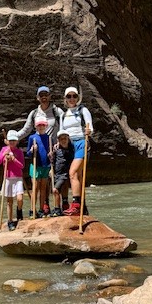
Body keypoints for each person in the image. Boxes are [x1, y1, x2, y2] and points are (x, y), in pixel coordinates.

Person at [60, 87, 93, 216]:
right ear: (65, 99)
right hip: (69, 145)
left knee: (73, 173)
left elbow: (90, 125)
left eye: (74, 96)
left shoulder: (83, 110)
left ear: (78, 98)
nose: (72, 99)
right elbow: (62, 132)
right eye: (69, 96)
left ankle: (75, 204)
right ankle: (82, 207)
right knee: (77, 177)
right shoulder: (64, 114)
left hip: (81, 143)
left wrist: (89, 132)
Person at [0, 130, 25, 231]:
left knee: (20, 198)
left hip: (17, 177)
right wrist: (4, 155)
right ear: (8, 141)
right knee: (9, 201)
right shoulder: (4, 149)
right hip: (7, 178)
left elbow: (22, 165)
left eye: (14, 141)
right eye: (10, 140)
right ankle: (10, 221)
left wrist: (13, 159)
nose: (12, 142)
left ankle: (19, 211)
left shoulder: (19, 152)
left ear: (17, 142)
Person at [26, 116, 51, 218]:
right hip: (35, 166)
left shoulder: (48, 137)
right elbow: (28, 153)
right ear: (36, 126)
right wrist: (32, 150)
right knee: (35, 188)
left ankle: (41, 209)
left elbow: (50, 150)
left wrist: (51, 154)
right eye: (39, 125)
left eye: (43, 125)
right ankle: (32, 209)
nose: (41, 127)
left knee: (43, 188)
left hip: (45, 166)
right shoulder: (32, 138)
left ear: (45, 126)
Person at [50, 129, 74, 216]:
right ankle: (63, 206)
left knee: (55, 190)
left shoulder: (72, 148)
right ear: (58, 140)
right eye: (61, 139)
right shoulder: (56, 149)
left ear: (68, 139)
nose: (63, 140)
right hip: (58, 173)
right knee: (62, 189)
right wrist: (51, 168)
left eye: (65, 138)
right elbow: (53, 160)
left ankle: (57, 209)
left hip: (65, 174)